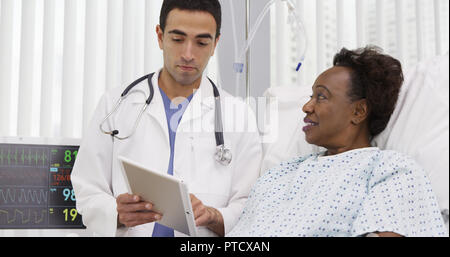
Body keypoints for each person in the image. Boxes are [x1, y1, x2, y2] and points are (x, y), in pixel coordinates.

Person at [71, 0, 262, 237]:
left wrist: (215, 216)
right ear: (160, 36)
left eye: (202, 42)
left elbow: (251, 205)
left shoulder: (238, 115)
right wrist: (116, 213)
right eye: (177, 39)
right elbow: (88, 187)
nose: (188, 54)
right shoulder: (117, 104)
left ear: (216, 44)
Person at [227, 46, 448, 237]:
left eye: (321, 97)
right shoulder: (280, 173)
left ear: (359, 111)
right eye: (310, 96)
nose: (307, 107)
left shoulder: (392, 170)